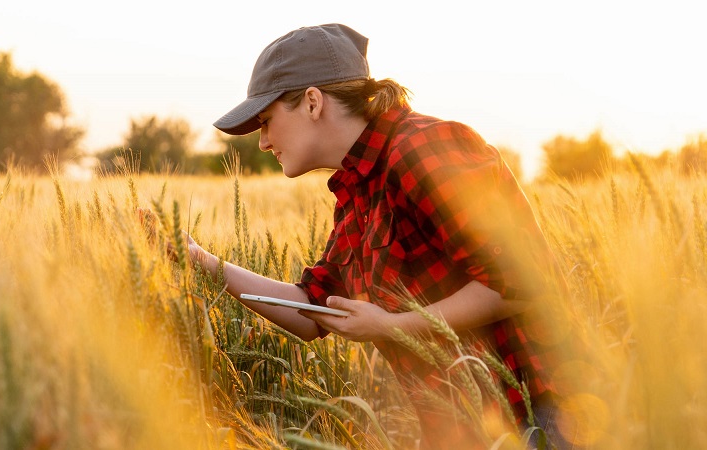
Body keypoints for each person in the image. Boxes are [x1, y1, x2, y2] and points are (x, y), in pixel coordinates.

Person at [156, 23, 571, 449]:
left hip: (539, 419)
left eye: (266, 121)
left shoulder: (425, 147)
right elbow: (314, 309)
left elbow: (519, 283)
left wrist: (391, 326)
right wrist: (202, 261)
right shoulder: (358, 190)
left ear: (313, 102)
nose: (263, 142)